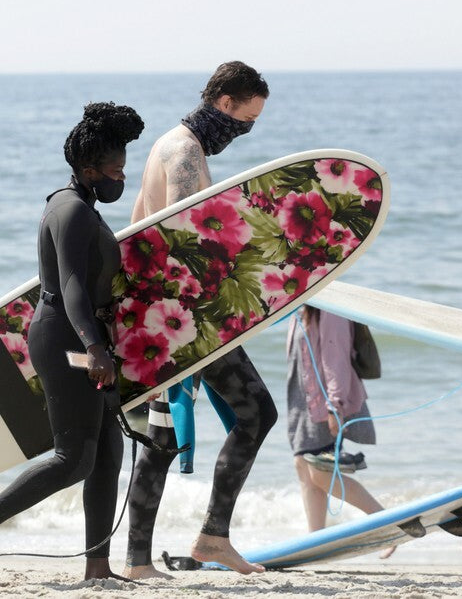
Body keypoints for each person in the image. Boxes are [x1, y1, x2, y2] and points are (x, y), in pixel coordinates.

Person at [0, 102, 144, 587]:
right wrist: (95, 349)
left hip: (79, 334)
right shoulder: (73, 210)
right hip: (66, 339)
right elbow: (72, 286)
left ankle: (98, 567)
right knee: (73, 457)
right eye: (115, 170)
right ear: (88, 169)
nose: (122, 177)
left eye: (124, 167)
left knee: (107, 455)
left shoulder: (76, 203)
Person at [123, 61, 278, 579]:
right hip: (185, 320)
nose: (245, 131)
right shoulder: (186, 152)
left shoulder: (165, 144)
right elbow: (189, 248)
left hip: (162, 317)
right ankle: (213, 537)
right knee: (257, 413)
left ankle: (138, 560)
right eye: (246, 120)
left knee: (163, 438)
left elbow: (136, 232)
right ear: (226, 103)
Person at [287, 305, 418, 555]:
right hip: (300, 399)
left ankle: (388, 524)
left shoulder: (329, 308)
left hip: (322, 401)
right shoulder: (299, 305)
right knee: (303, 467)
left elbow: (335, 358)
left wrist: (334, 405)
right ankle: (315, 541)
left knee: (320, 471)